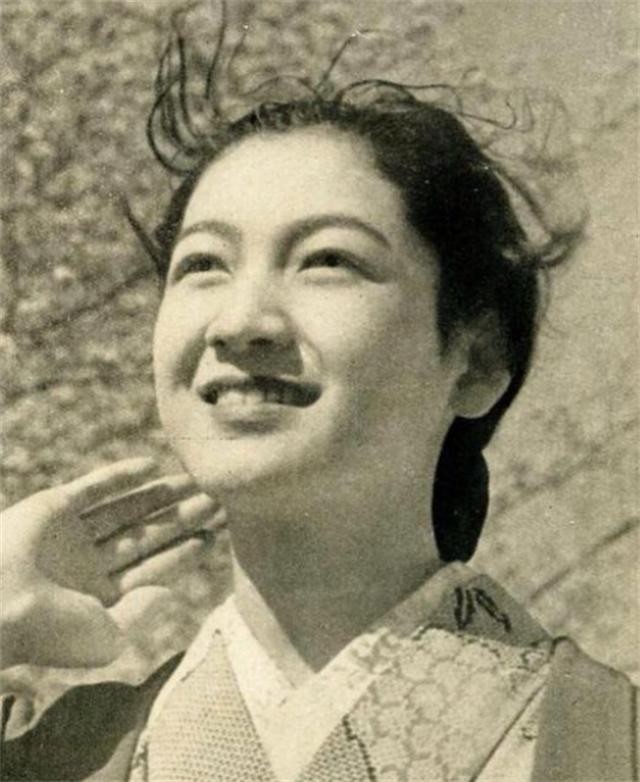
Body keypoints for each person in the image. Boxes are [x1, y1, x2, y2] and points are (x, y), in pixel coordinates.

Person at [1, 6, 637, 781]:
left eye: (328, 260)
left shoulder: (608, 745)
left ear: (476, 361)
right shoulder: (56, 759)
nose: (241, 322)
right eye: (203, 265)